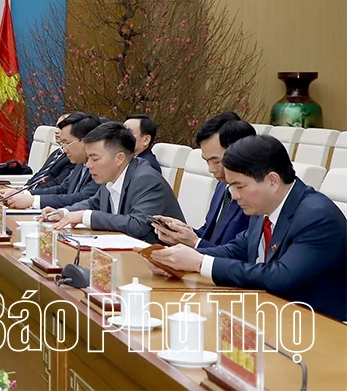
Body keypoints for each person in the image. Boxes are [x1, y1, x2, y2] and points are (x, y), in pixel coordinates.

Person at [149, 135, 347, 321]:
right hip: (269, 313)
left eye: (240, 186)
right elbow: (236, 250)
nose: (234, 196)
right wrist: (174, 259)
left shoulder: (317, 216)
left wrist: (200, 264)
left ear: (272, 181)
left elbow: (280, 277)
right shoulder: (263, 206)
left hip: (317, 324)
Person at [41, 122, 185, 244]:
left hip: (163, 264)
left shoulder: (146, 179)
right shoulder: (112, 175)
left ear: (119, 158)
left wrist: (85, 216)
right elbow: (93, 203)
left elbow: (138, 225)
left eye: (95, 159)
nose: (88, 165)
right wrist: (64, 213)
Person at [152, 115, 254, 248]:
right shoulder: (222, 185)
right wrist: (183, 233)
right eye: (206, 161)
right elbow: (209, 234)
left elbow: (240, 254)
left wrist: (195, 243)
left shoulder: (256, 195)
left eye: (216, 161)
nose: (211, 169)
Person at [1, 113, 103, 210]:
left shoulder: (101, 167)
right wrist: (23, 194)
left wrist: (33, 201)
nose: (64, 150)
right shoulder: (80, 163)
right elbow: (62, 189)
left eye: (67, 143)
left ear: (86, 140)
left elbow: (81, 198)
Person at [25, 113, 77, 188]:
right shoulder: (57, 152)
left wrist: (28, 194)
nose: (56, 131)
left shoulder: (71, 158)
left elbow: (58, 184)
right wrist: (24, 188)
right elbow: (40, 174)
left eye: (61, 128)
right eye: (56, 127)